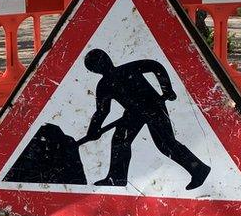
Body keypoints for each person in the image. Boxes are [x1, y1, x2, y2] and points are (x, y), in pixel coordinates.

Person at [84, 49, 211, 190]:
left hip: (153, 106)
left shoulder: (128, 69)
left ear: (107, 59)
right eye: (96, 65)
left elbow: (155, 66)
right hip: (133, 113)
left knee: (166, 144)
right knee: (120, 140)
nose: (102, 66)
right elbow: (102, 111)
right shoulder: (103, 86)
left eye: (101, 61)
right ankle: (117, 177)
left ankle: (199, 169)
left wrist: (166, 89)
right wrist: (93, 129)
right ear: (94, 70)